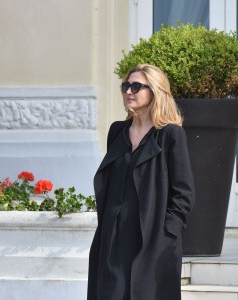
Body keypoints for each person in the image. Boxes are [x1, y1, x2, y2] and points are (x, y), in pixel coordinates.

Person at [87, 64, 195, 300]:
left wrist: (167, 233)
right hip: (114, 238)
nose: (129, 91)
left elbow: (183, 193)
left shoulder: (170, 135)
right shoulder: (117, 131)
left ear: (155, 91)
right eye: (126, 86)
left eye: (136, 86)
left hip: (152, 239)